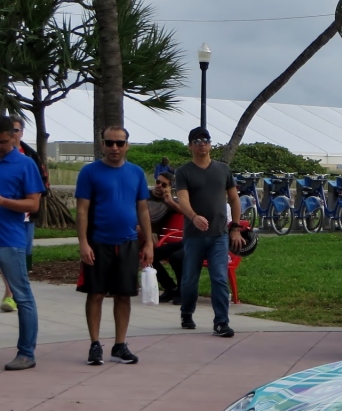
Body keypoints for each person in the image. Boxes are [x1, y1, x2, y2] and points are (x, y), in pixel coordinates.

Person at [74, 127, 152, 365]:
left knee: (123, 295)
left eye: (120, 143)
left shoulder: (136, 173)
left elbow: (143, 209)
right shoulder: (89, 172)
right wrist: (84, 243)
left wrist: (148, 242)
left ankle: (120, 345)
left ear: (127, 145)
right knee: (95, 294)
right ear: (103, 144)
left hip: (127, 243)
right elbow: (82, 210)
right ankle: (95, 344)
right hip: (99, 242)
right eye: (110, 143)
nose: (114, 148)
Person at [174, 126, 244, 338]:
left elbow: (233, 199)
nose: (202, 143)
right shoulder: (184, 172)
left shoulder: (223, 170)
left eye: (205, 139)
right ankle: (187, 312)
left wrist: (236, 227)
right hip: (194, 236)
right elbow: (183, 200)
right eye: (197, 140)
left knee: (219, 278)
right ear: (190, 146)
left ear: (210, 144)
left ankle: (221, 322)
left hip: (219, 235)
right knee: (189, 279)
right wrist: (194, 217)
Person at [0, 117, 43, 370]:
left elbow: (33, 204)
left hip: (10, 241)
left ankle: (26, 353)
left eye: (3, 142)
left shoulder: (25, 164)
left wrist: (4, 201)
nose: (0, 146)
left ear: (13, 137)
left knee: (22, 297)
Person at [1, 117, 48, 313]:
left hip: (14, 232)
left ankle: (26, 344)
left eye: (2, 141)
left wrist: (3, 201)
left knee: (22, 291)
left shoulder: (28, 159)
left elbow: (35, 200)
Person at [147, 169, 184, 303]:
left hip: (153, 238)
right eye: (158, 182)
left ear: (169, 188)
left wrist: (170, 201)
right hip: (138, 233)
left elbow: (187, 213)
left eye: (163, 185)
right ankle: (170, 287)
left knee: (174, 257)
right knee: (150, 254)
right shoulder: (143, 195)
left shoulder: (168, 202)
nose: (159, 186)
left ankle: (180, 290)